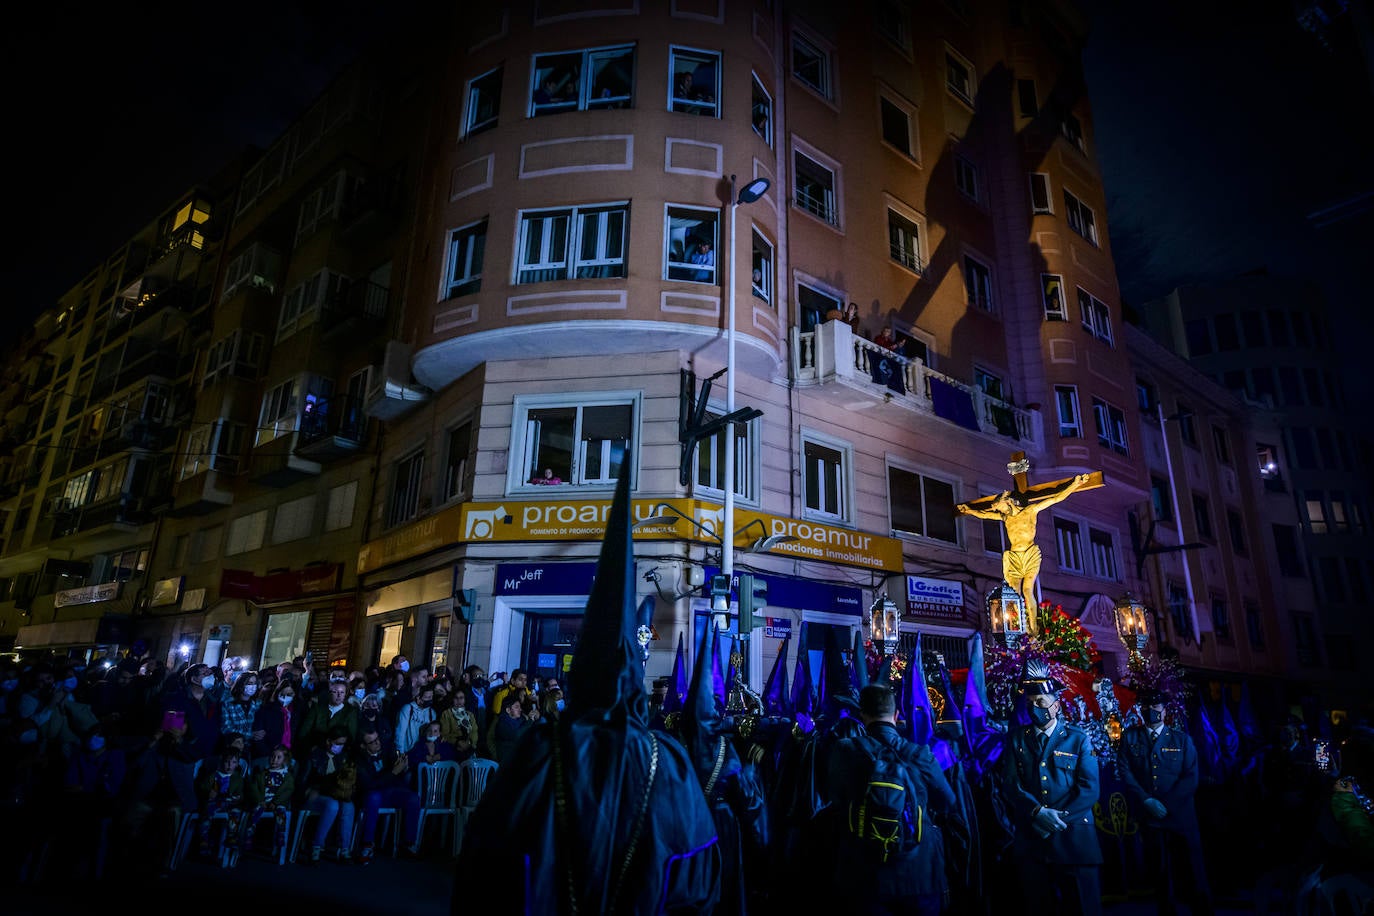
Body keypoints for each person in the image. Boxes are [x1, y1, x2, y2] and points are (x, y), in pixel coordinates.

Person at [452, 463, 720, 914]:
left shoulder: (541, 750)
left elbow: (484, 868)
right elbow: (697, 887)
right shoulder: (668, 762)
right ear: (635, 676)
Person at [826, 683, 959, 915]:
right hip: (919, 874)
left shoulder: (844, 751)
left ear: (862, 715)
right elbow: (948, 802)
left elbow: (834, 797)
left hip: (863, 875)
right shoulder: (920, 754)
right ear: (897, 716)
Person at [997, 658, 1103, 916]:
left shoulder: (1077, 739)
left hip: (1073, 841)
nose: (1035, 708)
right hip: (1033, 843)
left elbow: (1088, 788)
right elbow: (1010, 783)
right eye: (1031, 703)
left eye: (1041, 703)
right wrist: (1036, 813)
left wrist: (1054, 819)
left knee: (1081, 907)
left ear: (1056, 706)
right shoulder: (1017, 739)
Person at [955, 473, 1095, 632]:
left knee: (1028, 591)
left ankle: (1033, 629)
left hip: (1029, 554)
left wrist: (1075, 484)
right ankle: (1018, 627)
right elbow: (985, 514)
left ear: (1008, 502)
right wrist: (969, 511)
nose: (998, 510)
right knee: (1014, 593)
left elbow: (1055, 498)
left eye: (999, 507)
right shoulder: (1005, 517)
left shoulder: (1030, 510)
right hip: (1014, 557)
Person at [1118, 687, 1213, 915]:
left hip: (1180, 817)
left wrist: (1165, 805)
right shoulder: (1130, 737)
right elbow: (1125, 770)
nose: (1152, 711)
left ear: (1164, 710)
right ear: (1141, 710)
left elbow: (1190, 777)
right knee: (1159, 871)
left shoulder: (1182, 739)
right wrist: (1146, 801)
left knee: (1191, 868)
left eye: (1156, 707)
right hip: (1149, 817)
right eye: (1147, 707)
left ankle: (1200, 909)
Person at [354, 726, 422, 863]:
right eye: (372, 742)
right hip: (372, 793)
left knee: (413, 798)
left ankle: (408, 844)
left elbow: (398, 772)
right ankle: (367, 844)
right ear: (363, 745)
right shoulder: (359, 760)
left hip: (392, 790)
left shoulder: (386, 750)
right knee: (373, 797)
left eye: (377, 739)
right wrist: (393, 772)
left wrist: (403, 767)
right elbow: (369, 785)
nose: (377, 743)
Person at [299, 725, 359, 864]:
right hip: (315, 795)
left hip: (335, 794)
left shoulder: (343, 758)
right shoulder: (314, 756)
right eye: (337, 743)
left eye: (342, 744)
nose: (340, 747)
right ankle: (316, 846)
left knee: (349, 806)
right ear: (328, 741)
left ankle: (344, 849)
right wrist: (310, 790)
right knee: (332, 805)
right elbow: (302, 782)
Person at [243, 744, 295, 861]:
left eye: (278, 757)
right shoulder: (262, 774)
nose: (274, 760)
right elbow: (253, 788)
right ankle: (249, 835)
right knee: (255, 812)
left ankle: (280, 834)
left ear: (284, 760)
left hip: (276, 803)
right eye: (272, 756)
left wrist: (276, 802)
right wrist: (259, 800)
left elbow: (288, 791)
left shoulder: (287, 776)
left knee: (281, 812)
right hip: (263, 802)